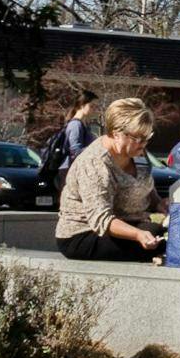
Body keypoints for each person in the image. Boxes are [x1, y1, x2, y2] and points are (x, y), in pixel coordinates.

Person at [55, 97, 165, 262]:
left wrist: (160, 204)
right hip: (85, 234)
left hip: (131, 224)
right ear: (116, 134)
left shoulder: (138, 154)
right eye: (137, 138)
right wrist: (138, 234)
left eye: (147, 137)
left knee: (175, 233)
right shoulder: (95, 163)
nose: (143, 143)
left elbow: (146, 190)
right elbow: (101, 219)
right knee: (162, 243)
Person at [54, 91, 99, 195]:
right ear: (82, 105)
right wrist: (95, 148)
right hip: (70, 169)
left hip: (74, 168)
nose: (94, 109)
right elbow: (75, 150)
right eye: (92, 106)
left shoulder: (83, 124)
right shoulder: (76, 125)